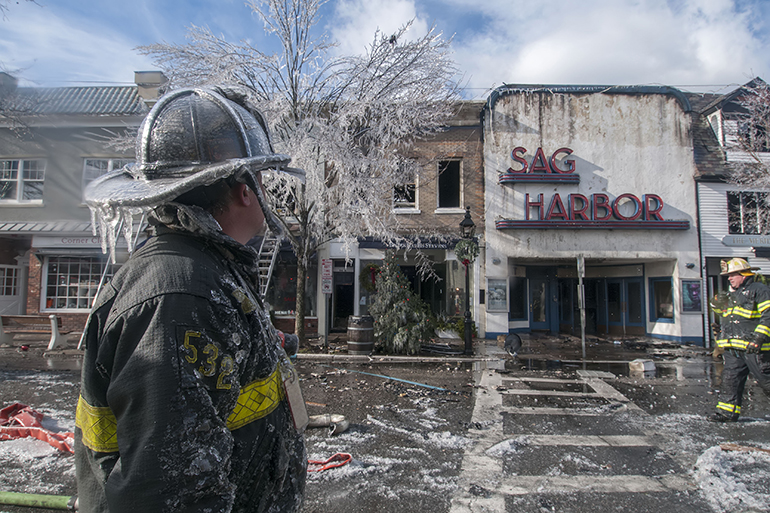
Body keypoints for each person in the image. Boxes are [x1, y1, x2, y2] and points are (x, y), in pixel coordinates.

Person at [75, 87, 307, 512]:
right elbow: (171, 492)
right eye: (262, 180)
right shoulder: (179, 299)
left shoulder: (208, 271)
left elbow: (210, 385)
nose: (269, 194)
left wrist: (261, 347)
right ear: (243, 190)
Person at [709, 257, 770, 422]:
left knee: (766, 381)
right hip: (734, 348)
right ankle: (727, 413)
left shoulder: (760, 290)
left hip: (754, 347)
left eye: (733, 275)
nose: (729, 278)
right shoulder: (732, 293)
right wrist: (716, 304)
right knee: (731, 380)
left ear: (744, 275)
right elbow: (725, 314)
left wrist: (759, 338)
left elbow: (768, 316)